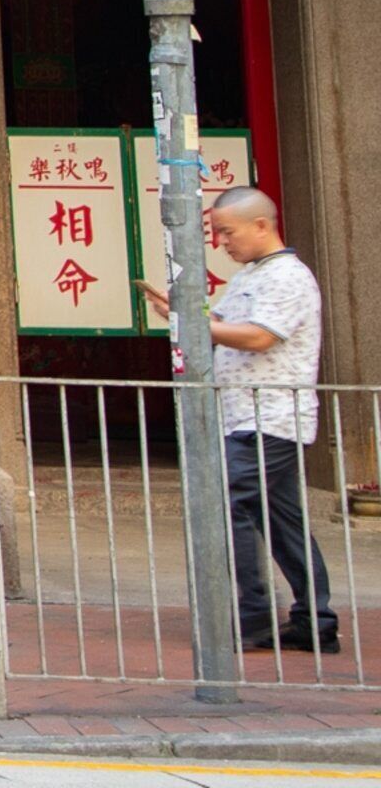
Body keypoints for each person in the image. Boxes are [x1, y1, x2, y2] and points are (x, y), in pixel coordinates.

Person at [141, 185, 339, 655]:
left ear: (262, 225)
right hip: (251, 418)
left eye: (227, 232)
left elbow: (257, 337)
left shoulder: (287, 277)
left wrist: (192, 321)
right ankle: (316, 622)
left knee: (226, 502)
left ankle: (252, 617)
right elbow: (218, 328)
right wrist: (182, 315)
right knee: (281, 519)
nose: (222, 242)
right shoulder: (252, 276)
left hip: (268, 419)